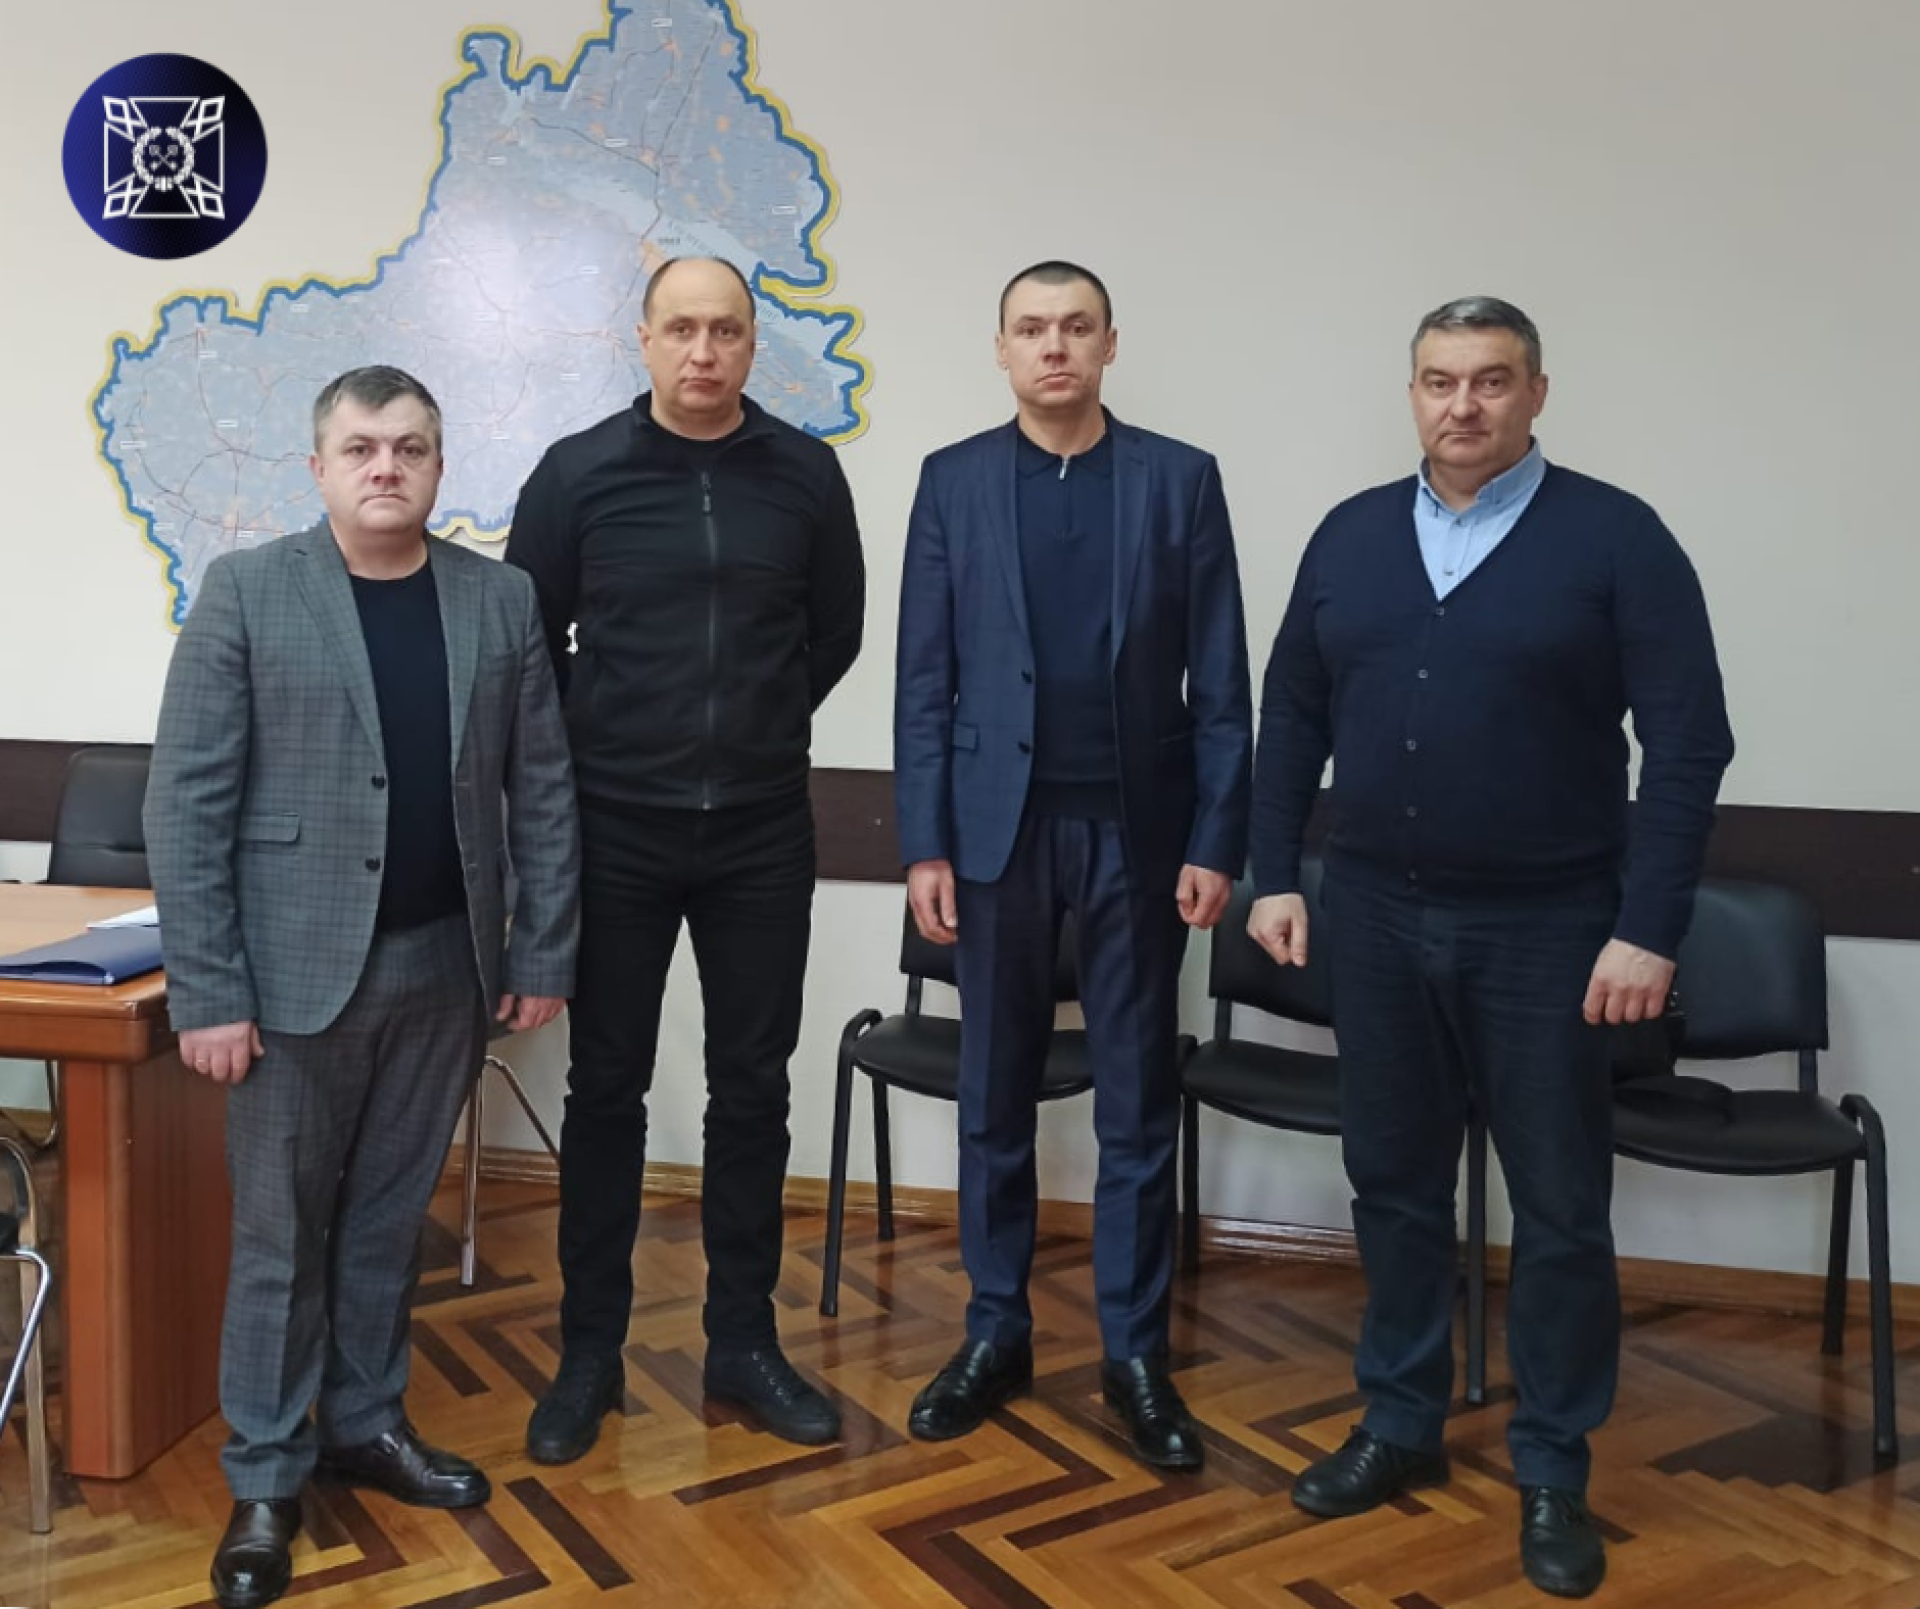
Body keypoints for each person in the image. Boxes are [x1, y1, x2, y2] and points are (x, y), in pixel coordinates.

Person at [1247, 296, 1733, 1598]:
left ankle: (1554, 1463)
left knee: (1561, 1207)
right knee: (1393, 1181)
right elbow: (1291, 711)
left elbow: (1690, 744)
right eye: (1439, 380)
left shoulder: (1616, 537)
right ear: (1412, 392)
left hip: (1551, 929)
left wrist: (1647, 928)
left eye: (1491, 380)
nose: (1462, 404)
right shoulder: (1351, 535)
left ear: (1537, 393)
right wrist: (1272, 872)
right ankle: (1400, 1417)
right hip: (1373, 914)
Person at [145, 365, 580, 1609]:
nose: (386, 466)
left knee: (391, 1219)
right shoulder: (248, 590)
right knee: (282, 1236)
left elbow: (542, 789)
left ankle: (366, 1421)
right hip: (287, 981)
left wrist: (543, 950)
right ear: (320, 467)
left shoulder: (499, 599)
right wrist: (208, 991)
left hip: (447, 965)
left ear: (440, 465)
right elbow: (187, 803)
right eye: (361, 447)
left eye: (411, 447)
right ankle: (266, 1474)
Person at [505, 256, 865, 1460]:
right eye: (682, 329)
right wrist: (613, 732)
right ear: (644, 339)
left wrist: (752, 723)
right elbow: (527, 641)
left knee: (752, 1088)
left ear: (754, 343)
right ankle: (588, 1355)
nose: (703, 351)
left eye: (726, 330)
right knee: (605, 1089)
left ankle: (743, 1342)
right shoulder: (578, 474)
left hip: (761, 829)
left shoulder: (805, 474)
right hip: (616, 827)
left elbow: (834, 632)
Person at [893, 260, 1252, 1471]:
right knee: (992, 1097)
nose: (1055, 346)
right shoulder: (952, 481)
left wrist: (1216, 840)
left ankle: (1133, 1354)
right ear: (1001, 350)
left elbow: (1222, 682)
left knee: (1136, 1105)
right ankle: (995, 1331)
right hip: (996, 840)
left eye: (1076, 327)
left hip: (1139, 840)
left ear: (1109, 345)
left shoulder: (1179, 480)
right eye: (1032, 328)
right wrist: (925, 841)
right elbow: (925, 682)